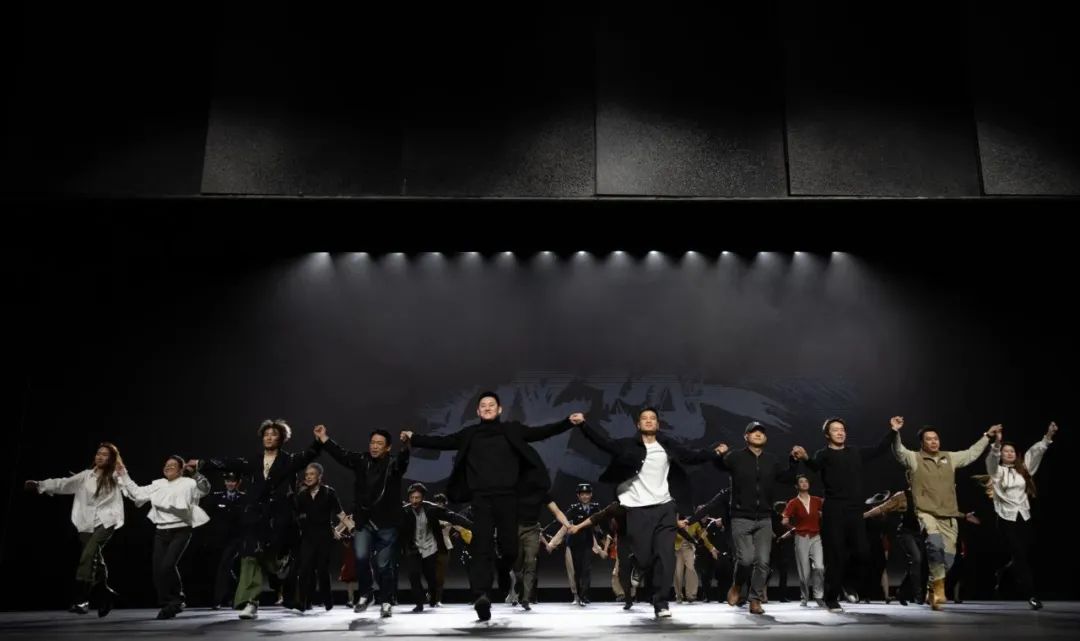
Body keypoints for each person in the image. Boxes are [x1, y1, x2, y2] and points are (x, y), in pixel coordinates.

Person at [24, 442, 125, 617]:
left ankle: (81, 599)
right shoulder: (86, 476)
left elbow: (128, 486)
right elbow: (64, 484)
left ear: (112, 459)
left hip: (106, 521)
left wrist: (122, 471)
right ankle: (105, 594)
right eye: (98, 453)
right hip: (85, 522)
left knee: (88, 555)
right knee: (93, 558)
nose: (100, 456)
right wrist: (40, 484)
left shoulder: (116, 476)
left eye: (105, 454)